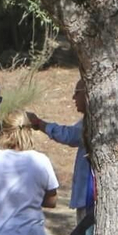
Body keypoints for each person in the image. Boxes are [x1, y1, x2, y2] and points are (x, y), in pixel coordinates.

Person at [27, 80, 92, 223]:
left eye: (77, 93)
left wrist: (39, 124)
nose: (73, 98)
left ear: (88, 94)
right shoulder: (88, 121)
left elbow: (69, 135)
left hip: (91, 198)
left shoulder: (95, 123)